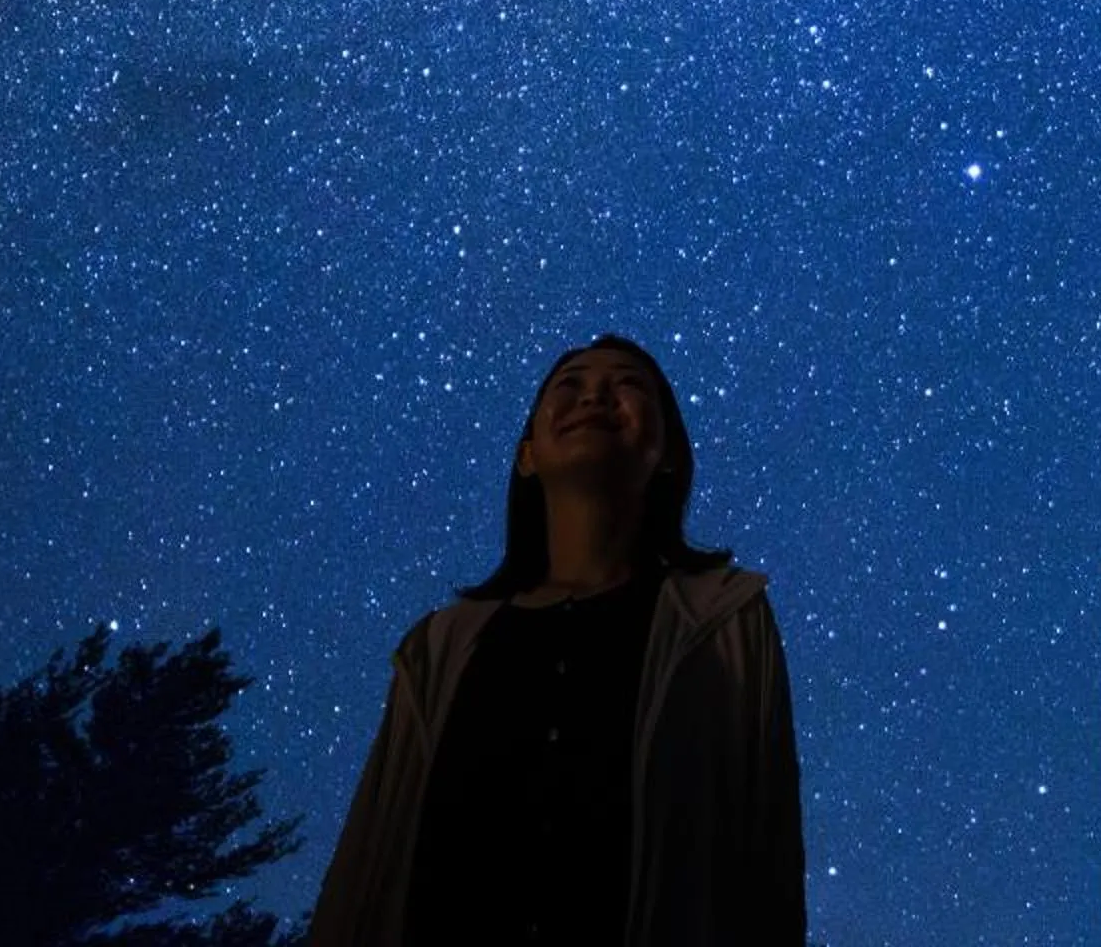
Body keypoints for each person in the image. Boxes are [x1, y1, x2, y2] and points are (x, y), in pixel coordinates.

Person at [311, 335, 805, 947]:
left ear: (671, 452)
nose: (594, 395)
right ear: (527, 455)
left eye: (627, 383)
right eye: (568, 384)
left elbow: (768, 860)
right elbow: (369, 860)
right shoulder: (439, 646)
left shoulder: (726, 621)